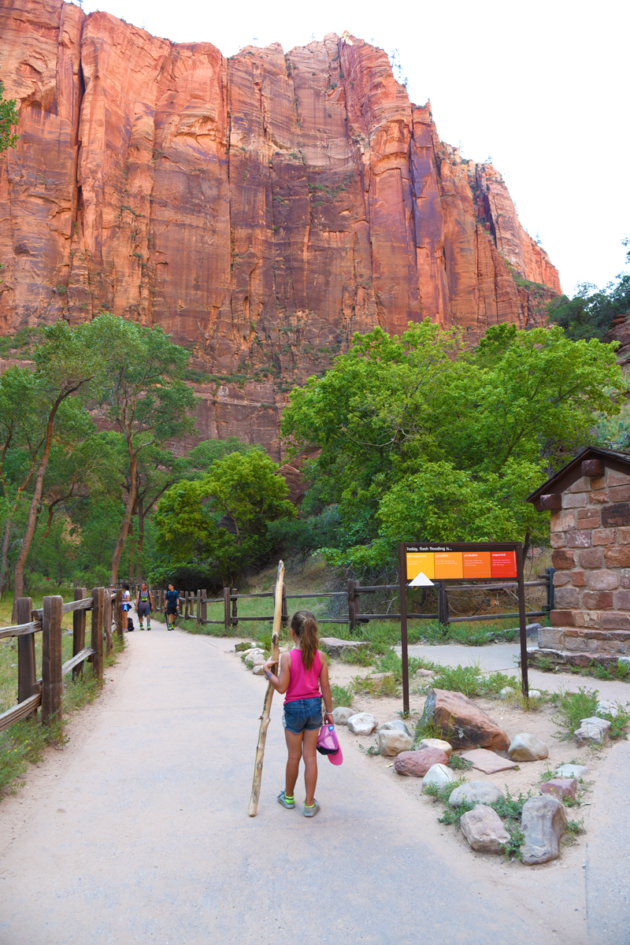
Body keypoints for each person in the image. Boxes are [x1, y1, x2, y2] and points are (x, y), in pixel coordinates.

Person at [263, 611, 333, 818]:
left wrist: (267, 671)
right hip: (314, 708)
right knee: (310, 756)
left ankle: (289, 797)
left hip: (293, 709)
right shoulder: (320, 656)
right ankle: (310, 804)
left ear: (292, 632)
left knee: (294, 756)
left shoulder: (287, 658)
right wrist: (328, 712)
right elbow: (325, 686)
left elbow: (282, 687)